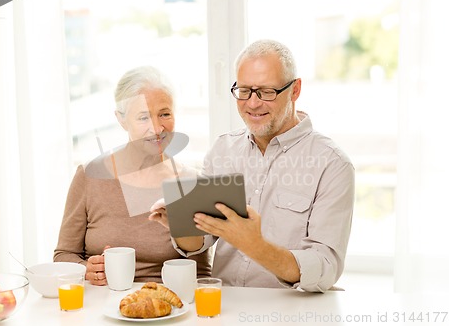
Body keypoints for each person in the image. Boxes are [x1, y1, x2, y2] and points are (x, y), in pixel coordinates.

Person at [150, 40, 354, 292]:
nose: (253, 104)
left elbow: (326, 268)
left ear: (295, 90)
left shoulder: (332, 164)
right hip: (224, 308)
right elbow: (199, 241)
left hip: (292, 313)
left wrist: (254, 245)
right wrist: (179, 224)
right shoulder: (223, 149)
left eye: (267, 92)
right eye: (244, 90)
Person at [54, 66, 211, 285]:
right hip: (102, 306)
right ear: (121, 118)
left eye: (164, 114)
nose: (156, 128)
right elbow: (63, 255)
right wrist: (86, 270)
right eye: (143, 117)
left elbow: (201, 274)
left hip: (167, 307)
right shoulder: (89, 176)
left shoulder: (191, 182)